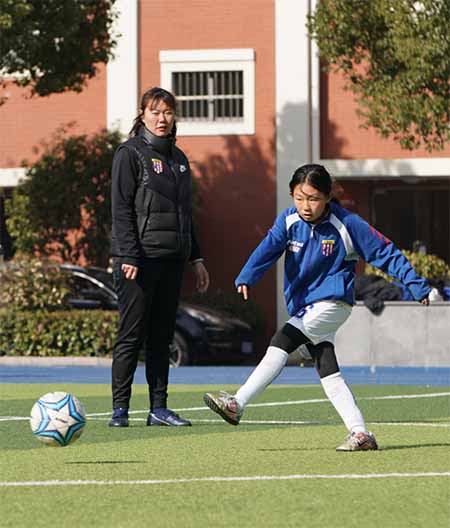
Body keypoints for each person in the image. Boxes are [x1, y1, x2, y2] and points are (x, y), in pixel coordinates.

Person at [204, 164, 430, 451]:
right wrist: (248, 275)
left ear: (327, 196)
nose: (305, 205)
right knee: (328, 370)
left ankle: (237, 403)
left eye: (312, 198)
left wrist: (416, 284)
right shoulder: (288, 220)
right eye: (299, 198)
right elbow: (268, 247)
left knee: (281, 340)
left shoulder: (347, 224)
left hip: (333, 303)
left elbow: (385, 253)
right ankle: (361, 433)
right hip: (306, 308)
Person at [110, 87, 209, 428]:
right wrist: (129, 255)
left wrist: (196, 258)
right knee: (131, 334)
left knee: (162, 337)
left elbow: (185, 214)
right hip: (137, 262)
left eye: (167, 112)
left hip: (172, 261)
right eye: (155, 111)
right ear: (142, 115)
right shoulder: (129, 153)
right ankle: (120, 410)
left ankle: (158, 409)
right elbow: (121, 209)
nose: (162, 118)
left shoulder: (179, 159)